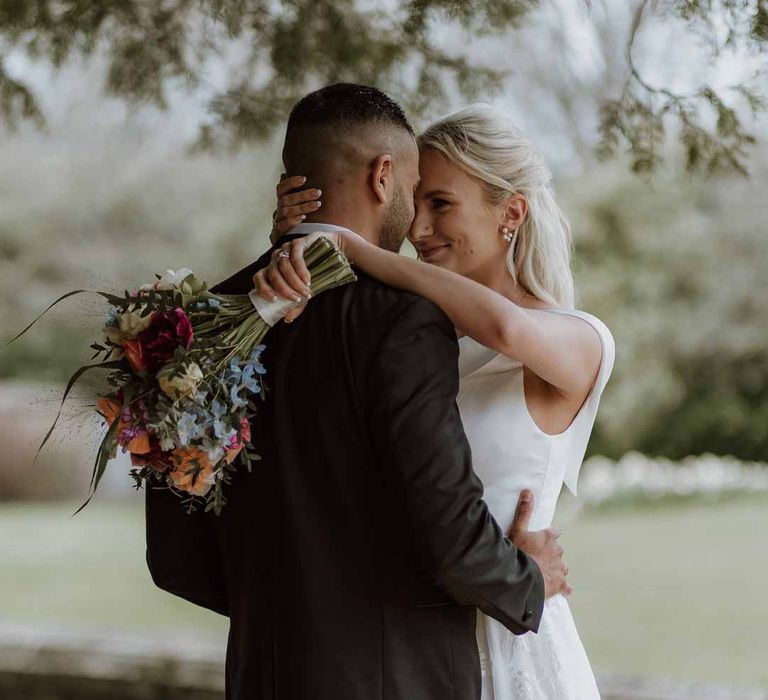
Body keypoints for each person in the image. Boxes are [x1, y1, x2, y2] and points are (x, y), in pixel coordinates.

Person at [145, 84, 569, 700]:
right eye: (415, 188)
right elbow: (449, 534)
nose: (418, 222)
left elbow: (176, 560)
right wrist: (529, 579)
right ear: (383, 175)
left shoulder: (202, 324)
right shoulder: (401, 320)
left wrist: (286, 614)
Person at [261, 102, 615, 699]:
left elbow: (505, 331)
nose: (418, 229)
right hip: (402, 645)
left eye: (441, 204)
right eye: (415, 200)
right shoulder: (411, 341)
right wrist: (296, 256)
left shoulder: (579, 339)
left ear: (512, 212)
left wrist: (354, 250)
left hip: (512, 634)